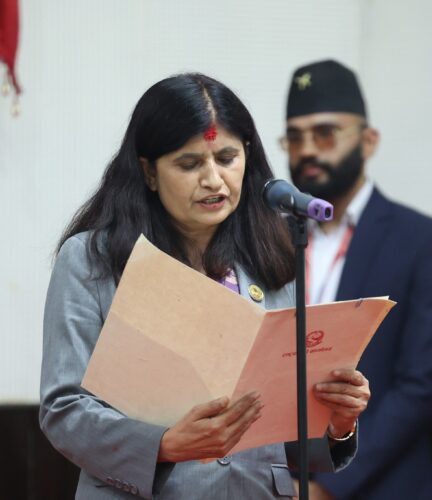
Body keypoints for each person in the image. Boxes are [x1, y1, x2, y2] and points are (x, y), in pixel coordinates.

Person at [39, 73, 372, 500]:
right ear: (149, 172)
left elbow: (281, 436)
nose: (214, 179)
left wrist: (337, 424)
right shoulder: (93, 260)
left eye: (227, 158)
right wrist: (163, 445)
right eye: (190, 164)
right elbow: (64, 410)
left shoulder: (271, 259)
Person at [282, 60, 432, 499]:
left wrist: (327, 487)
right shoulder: (269, 238)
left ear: (369, 140)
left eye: (325, 133)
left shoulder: (421, 241)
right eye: (295, 137)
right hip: (274, 482)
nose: (308, 150)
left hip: (380, 486)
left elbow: (420, 388)